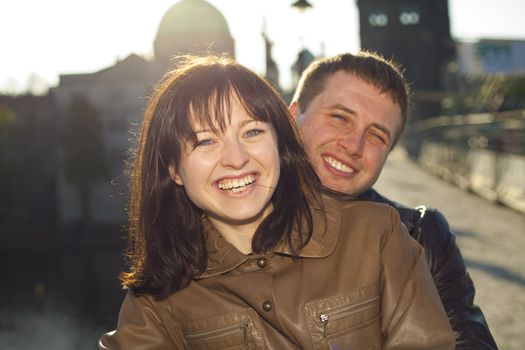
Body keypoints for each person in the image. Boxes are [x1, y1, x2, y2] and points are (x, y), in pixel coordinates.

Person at [99, 55, 454, 349]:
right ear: (174, 167)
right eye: (206, 141)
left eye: (252, 132)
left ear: (278, 141)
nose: (236, 159)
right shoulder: (157, 302)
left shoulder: (381, 234)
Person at [289, 51, 498, 349]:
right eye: (339, 117)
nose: (353, 145)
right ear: (292, 114)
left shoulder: (421, 236)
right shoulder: (225, 221)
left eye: (377, 136)